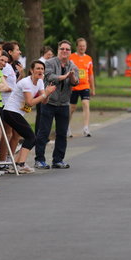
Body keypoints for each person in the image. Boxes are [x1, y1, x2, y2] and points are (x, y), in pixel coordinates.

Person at [3, 61, 56, 173]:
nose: (40, 71)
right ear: (32, 70)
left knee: (22, 136)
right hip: (10, 111)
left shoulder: (40, 82)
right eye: (37, 68)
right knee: (31, 137)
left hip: (17, 113)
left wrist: (47, 93)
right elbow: (30, 102)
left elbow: (44, 101)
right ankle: (20, 164)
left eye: (42, 69)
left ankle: (16, 164)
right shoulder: (26, 82)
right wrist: (45, 94)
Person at [34, 40, 79, 169]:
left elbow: (76, 82)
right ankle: (39, 159)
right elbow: (49, 76)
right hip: (49, 102)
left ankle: (58, 160)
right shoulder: (49, 63)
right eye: (62, 49)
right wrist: (64, 76)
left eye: (67, 49)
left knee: (62, 133)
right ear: (58, 50)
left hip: (64, 103)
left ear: (70, 52)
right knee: (44, 131)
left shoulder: (73, 66)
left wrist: (71, 77)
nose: (65, 51)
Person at [69, 38, 95, 137]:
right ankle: (67, 127)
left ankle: (86, 127)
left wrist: (93, 88)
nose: (82, 48)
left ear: (86, 47)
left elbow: (91, 74)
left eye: (84, 46)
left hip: (85, 85)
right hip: (74, 86)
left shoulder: (88, 58)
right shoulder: (71, 57)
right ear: (77, 46)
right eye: (80, 46)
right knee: (72, 108)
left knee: (85, 104)